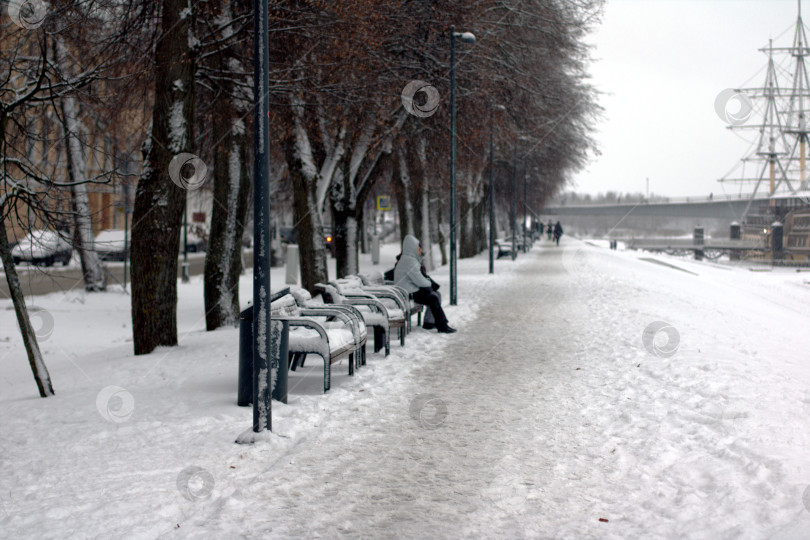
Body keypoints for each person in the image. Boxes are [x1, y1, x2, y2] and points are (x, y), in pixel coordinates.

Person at [394, 235, 456, 333]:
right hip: (407, 294)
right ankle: (442, 326)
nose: (420, 250)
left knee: (435, 295)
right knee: (433, 298)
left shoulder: (408, 259)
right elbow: (419, 280)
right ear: (413, 248)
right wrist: (430, 283)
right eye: (419, 248)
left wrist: (428, 284)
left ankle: (430, 322)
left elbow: (418, 278)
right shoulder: (409, 261)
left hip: (407, 291)